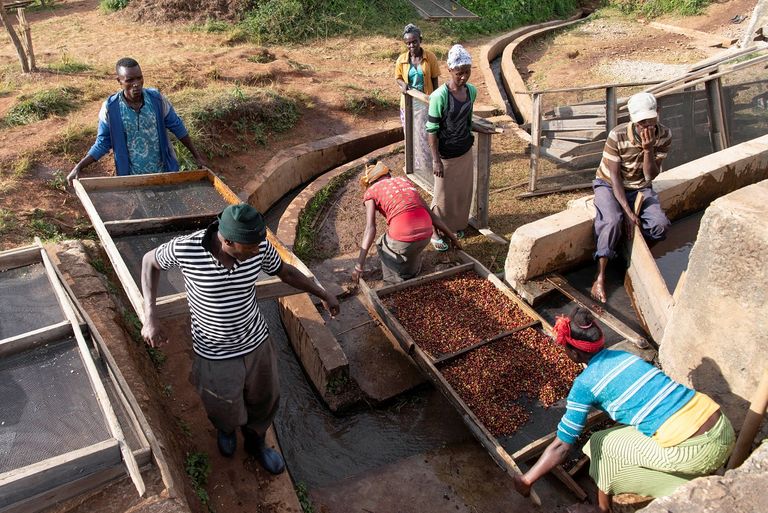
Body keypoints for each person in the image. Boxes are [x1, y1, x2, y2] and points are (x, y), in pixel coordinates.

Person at [140, 204, 340, 474]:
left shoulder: (258, 247)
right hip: (214, 349)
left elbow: (285, 272)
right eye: (251, 248)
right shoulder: (186, 249)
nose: (258, 252)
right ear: (228, 241)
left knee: (265, 398)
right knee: (220, 402)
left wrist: (322, 292)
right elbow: (148, 261)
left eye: (259, 246)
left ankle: (256, 442)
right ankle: (226, 430)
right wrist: (150, 315)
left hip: (255, 341)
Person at [512, 307, 734, 512]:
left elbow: (561, 447)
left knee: (600, 445)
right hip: (723, 427)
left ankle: (609, 508)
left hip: (696, 450)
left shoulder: (584, 384)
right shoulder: (627, 357)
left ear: (575, 354)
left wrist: (527, 479)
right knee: (611, 439)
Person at [67, 57, 206, 185]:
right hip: (132, 180)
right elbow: (103, 142)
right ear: (119, 81)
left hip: (164, 174)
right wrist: (79, 166)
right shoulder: (111, 109)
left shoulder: (157, 100)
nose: (136, 84)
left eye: (139, 78)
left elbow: (178, 127)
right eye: (130, 80)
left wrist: (197, 156)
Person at [590, 92, 672, 303]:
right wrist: (627, 212)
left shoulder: (664, 135)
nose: (646, 127)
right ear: (633, 120)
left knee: (660, 225)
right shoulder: (617, 135)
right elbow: (615, 177)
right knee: (612, 220)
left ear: (658, 115)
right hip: (609, 184)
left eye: (650, 121)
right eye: (641, 122)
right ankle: (599, 276)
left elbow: (650, 175)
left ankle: (629, 255)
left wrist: (648, 150)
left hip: (640, 186)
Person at [426, 44, 494, 251]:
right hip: (445, 154)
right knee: (441, 195)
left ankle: (453, 226)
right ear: (449, 70)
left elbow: (466, 119)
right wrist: (436, 159)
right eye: (459, 73)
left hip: (464, 150)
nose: (463, 77)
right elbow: (432, 130)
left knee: (460, 193)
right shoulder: (440, 96)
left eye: (467, 72)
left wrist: (482, 127)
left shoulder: (471, 91)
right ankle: (434, 231)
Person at [352, 159, 460, 284]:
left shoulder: (371, 191)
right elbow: (433, 217)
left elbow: (371, 228)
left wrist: (359, 266)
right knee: (408, 247)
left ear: (372, 182)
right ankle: (411, 270)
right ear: (388, 175)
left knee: (382, 244)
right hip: (426, 235)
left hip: (404, 237)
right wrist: (453, 238)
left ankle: (393, 280)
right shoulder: (404, 181)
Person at [395, 23, 440, 176]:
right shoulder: (401, 60)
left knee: (424, 133)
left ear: (420, 40)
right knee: (410, 133)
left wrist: (434, 100)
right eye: (408, 43)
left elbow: (434, 80)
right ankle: (414, 163)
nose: (411, 45)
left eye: (414, 41)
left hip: (424, 103)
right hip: (407, 105)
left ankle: (427, 163)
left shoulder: (430, 58)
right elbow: (398, 78)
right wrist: (403, 85)